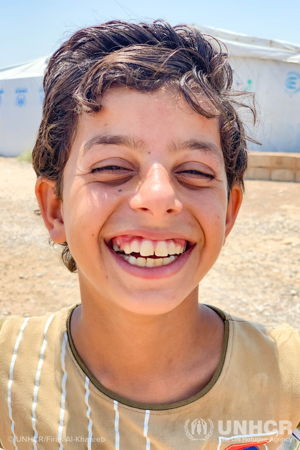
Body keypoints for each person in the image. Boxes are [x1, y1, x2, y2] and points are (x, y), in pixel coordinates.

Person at [0, 20, 299, 450]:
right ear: (55, 208)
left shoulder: (289, 380)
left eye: (195, 172)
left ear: (229, 212)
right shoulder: (9, 378)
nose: (158, 197)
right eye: (111, 168)